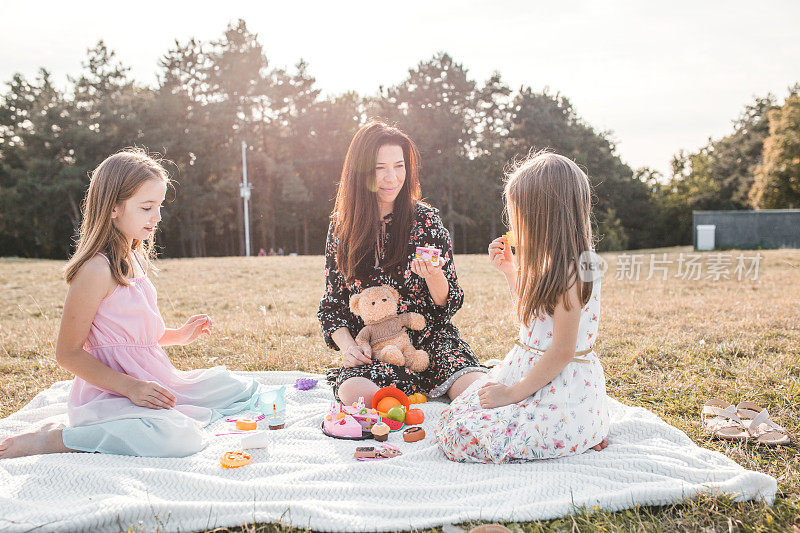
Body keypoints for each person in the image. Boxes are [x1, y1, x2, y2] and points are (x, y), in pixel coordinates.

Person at [0, 149, 259, 459]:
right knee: (177, 438)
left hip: (153, 380)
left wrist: (180, 335)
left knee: (237, 389)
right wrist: (131, 388)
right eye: (147, 207)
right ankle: (57, 439)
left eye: (159, 206)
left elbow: (134, 334)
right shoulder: (95, 270)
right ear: (113, 208)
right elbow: (67, 354)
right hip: (111, 391)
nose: (158, 217)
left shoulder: (135, 257)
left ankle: (142, 419)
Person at [435, 151, 610, 463]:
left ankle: (582, 427)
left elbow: (562, 350)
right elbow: (534, 317)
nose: (513, 223)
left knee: (462, 436)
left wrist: (513, 393)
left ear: (544, 217)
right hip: (532, 372)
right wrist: (510, 271)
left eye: (518, 216)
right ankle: (584, 428)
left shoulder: (575, 271)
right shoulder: (551, 262)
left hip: (557, 383)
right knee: (456, 416)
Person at [318, 121, 487, 407]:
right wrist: (349, 349)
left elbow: (449, 303)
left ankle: (423, 393)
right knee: (353, 392)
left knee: (476, 392)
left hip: (431, 339)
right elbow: (332, 306)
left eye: (399, 166)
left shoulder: (427, 221)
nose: (391, 177)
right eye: (379, 168)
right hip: (377, 348)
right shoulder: (342, 227)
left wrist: (435, 277)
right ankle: (402, 400)